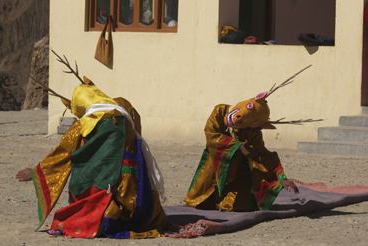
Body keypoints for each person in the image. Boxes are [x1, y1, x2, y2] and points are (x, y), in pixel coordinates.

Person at [16, 74, 168, 239]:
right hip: (137, 194)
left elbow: (61, 155)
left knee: (84, 173)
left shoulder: (82, 125)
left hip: (108, 195)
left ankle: (98, 219)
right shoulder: (124, 107)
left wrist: (34, 173)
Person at [183, 66, 317, 212]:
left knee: (242, 207)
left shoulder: (252, 132)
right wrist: (238, 146)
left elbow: (263, 153)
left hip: (238, 171)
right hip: (216, 163)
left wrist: (281, 177)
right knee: (201, 203)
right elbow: (211, 133)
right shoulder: (220, 111)